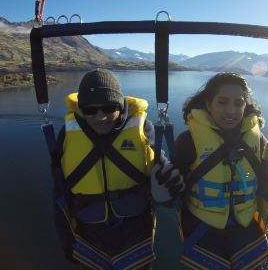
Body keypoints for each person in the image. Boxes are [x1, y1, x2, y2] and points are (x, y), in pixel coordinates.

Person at [152, 72, 268, 269]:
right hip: (201, 231)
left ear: (246, 106)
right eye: (223, 102)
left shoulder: (258, 141)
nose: (231, 110)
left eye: (238, 103)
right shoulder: (189, 140)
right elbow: (176, 189)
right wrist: (163, 189)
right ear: (209, 104)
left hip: (247, 231)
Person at [51, 68, 176, 269]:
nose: (100, 117)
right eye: (90, 110)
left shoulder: (143, 129)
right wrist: (66, 238)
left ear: (121, 105)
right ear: (81, 109)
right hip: (89, 234)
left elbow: (161, 166)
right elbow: (59, 192)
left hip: (136, 232)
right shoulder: (66, 135)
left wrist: (170, 182)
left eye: (108, 108)